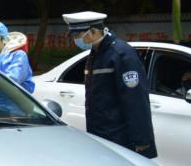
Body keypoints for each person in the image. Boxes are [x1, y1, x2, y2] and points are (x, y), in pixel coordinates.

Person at [63, 11, 157, 158]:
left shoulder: (121, 54)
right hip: (101, 135)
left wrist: (142, 140)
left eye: (77, 35)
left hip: (120, 138)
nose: (76, 40)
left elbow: (136, 100)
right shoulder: (95, 54)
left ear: (93, 31)